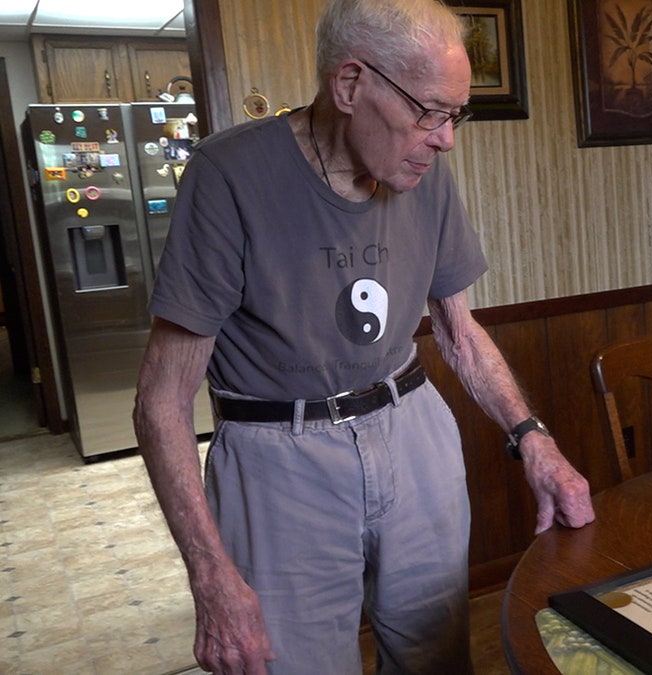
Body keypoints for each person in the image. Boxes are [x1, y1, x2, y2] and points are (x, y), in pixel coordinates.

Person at [131, 0, 595, 672]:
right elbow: (160, 401)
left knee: (436, 657)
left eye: (455, 115)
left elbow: (459, 333)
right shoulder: (230, 176)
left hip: (412, 431)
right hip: (278, 458)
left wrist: (534, 439)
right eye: (430, 111)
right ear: (350, 86)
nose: (446, 138)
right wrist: (209, 574)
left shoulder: (424, 173)